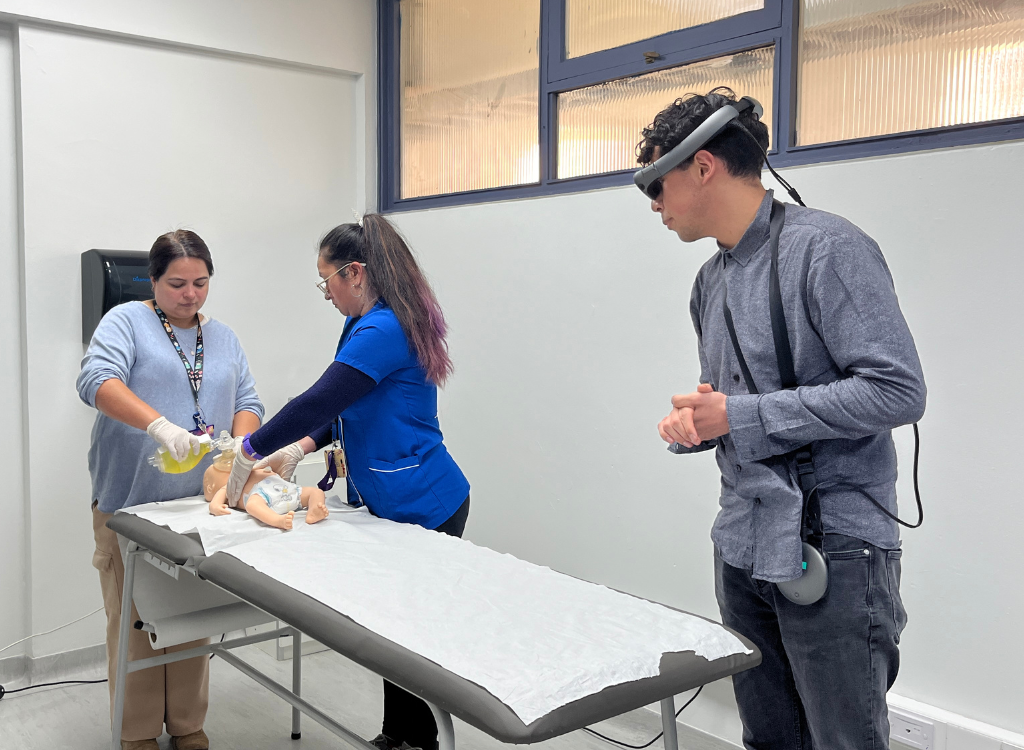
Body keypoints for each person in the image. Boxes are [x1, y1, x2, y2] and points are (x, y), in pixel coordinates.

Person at [639, 88, 926, 749]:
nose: (654, 205)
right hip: (743, 543)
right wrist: (695, 426)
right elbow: (730, 407)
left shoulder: (827, 249)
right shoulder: (709, 282)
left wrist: (737, 415)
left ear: (703, 166)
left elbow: (897, 392)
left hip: (835, 546)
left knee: (843, 740)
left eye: (657, 185)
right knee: (768, 739)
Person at [224, 213, 470, 750]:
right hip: (390, 498)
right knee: (390, 626)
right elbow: (346, 406)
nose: (327, 294)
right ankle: (397, 735)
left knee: (412, 634)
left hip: (426, 501)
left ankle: (421, 741)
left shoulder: (383, 328)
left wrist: (251, 449)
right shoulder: (365, 322)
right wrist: (301, 446)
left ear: (354, 272)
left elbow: (320, 399)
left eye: (326, 281)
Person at [77, 230, 264, 750]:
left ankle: (187, 724)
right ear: (153, 281)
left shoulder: (222, 337)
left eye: (200, 283)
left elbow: (248, 400)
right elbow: (96, 381)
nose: (190, 294)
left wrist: (240, 445)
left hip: (197, 506)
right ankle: (136, 733)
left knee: (190, 616)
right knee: (136, 623)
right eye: (177, 283)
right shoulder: (126, 322)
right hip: (130, 503)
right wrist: (159, 426)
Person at [203, 446, 329, 529]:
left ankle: (314, 510)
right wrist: (215, 505)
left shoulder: (242, 471)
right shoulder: (231, 485)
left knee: (316, 492)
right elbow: (221, 493)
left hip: (286, 489)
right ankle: (277, 520)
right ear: (210, 487)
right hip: (263, 496)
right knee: (252, 505)